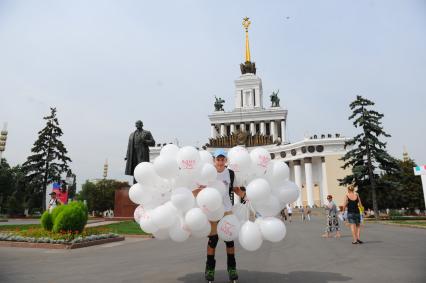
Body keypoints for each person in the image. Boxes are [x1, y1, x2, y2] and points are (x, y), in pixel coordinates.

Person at [192, 149, 245, 283]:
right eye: (218, 159)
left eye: (222, 159)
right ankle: (209, 269)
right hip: (213, 211)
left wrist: (246, 196)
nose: (220, 162)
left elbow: (235, 189)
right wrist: (191, 194)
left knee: (229, 240)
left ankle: (232, 269)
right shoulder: (209, 173)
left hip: (227, 210)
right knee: (213, 240)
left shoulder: (231, 174)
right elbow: (200, 189)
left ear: (226, 161)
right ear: (214, 160)